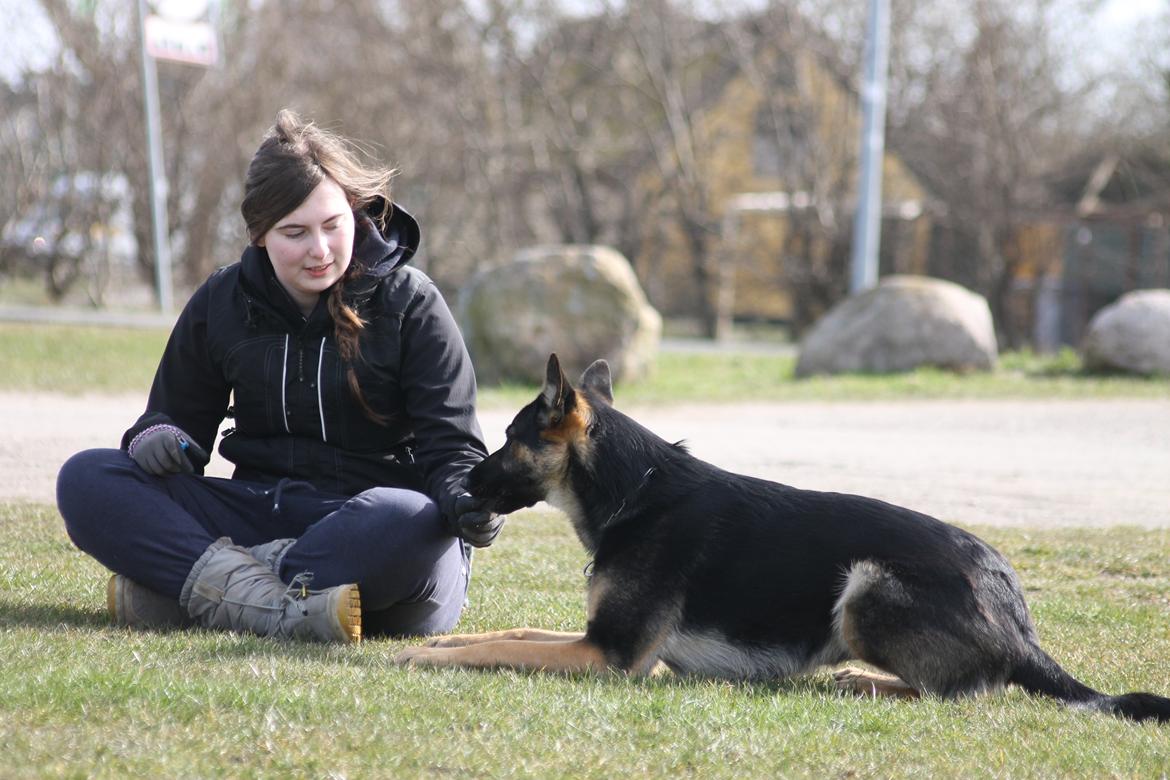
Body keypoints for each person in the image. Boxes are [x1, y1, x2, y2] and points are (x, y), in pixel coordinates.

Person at [56, 110, 501, 643]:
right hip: (259, 511)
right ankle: (289, 605)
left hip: (369, 533)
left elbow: (453, 453)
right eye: (295, 233)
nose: (320, 249)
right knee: (88, 478)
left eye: (334, 226)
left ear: (354, 213)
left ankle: (202, 592)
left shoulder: (413, 302)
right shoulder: (221, 300)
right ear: (259, 235)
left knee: (412, 520)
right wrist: (156, 437)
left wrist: (472, 501)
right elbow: (171, 421)